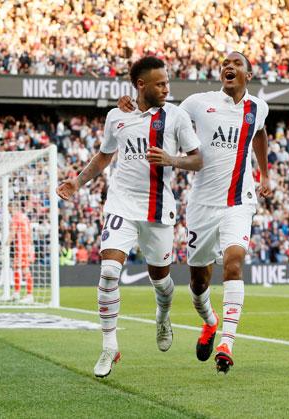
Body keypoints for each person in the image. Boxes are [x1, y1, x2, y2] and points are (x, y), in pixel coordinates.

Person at [117, 51, 271, 374]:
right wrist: (131, 105)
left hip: (239, 201)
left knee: (233, 263)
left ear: (249, 74)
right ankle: (211, 322)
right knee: (199, 283)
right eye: (225, 63)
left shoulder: (258, 108)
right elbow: (161, 111)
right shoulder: (198, 104)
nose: (228, 67)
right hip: (202, 205)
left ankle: (227, 343)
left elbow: (260, 133)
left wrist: (265, 174)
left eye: (236, 64)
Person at [57, 56, 203, 378]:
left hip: (157, 210)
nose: (167, 88)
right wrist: (78, 181)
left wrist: (171, 160)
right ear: (141, 86)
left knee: (162, 282)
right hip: (121, 205)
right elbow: (105, 156)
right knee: (109, 272)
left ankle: (163, 316)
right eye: (161, 83)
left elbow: (198, 160)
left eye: (167, 82)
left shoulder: (176, 117)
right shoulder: (117, 116)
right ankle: (109, 346)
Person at [8, 200, 34, 303]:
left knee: (24, 269)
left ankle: (29, 295)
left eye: (9, 209)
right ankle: (17, 293)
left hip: (21, 247)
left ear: (13, 208)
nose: (9, 212)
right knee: (17, 267)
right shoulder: (25, 217)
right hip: (26, 246)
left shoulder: (16, 217)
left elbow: (13, 233)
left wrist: (5, 245)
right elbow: (30, 232)